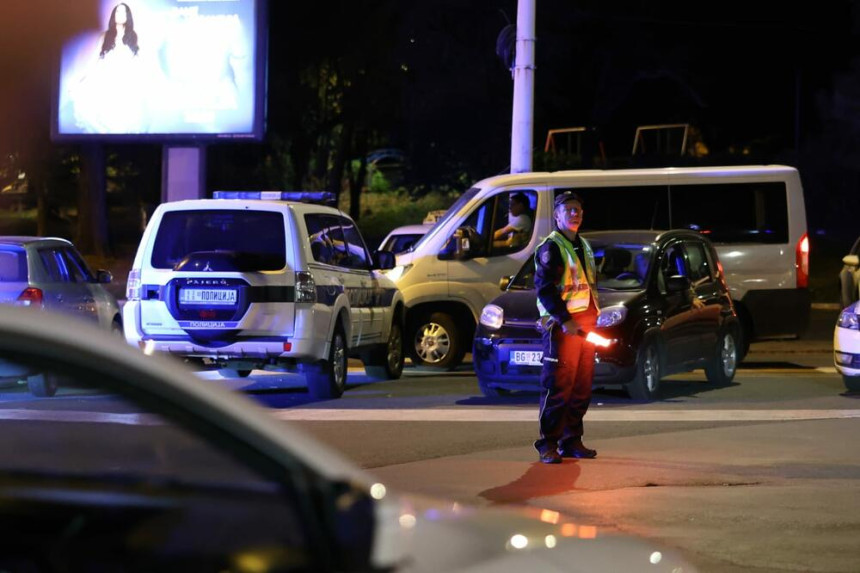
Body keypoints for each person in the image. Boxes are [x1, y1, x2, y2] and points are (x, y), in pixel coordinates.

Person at [533, 190, 600, 464]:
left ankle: (571, 441)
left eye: (578, 210)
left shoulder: (583, 245)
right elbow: (545, 289)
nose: (575, 214)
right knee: (557, 387)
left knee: (581, 387)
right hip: (562, 329)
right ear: (557, 215)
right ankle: (547, 444)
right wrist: (565, 319)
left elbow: (588, 286)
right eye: (569, 209)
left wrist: (595, 319)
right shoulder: (551, 247)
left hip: (585, 328)